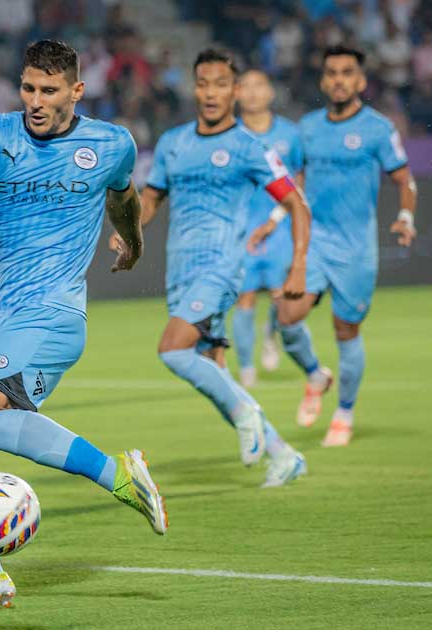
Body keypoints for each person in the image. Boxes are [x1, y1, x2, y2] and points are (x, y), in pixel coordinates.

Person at [0, 39, 166, 614]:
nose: (35, 100)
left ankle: (118, 476)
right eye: (29, 87)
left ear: (76, 91)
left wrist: (132, 241)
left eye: (50, 90)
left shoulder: (110, 143)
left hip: (53, 313)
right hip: (1, 316)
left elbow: (124, 198)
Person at [124, 49, 311, 488]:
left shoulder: (251, 147)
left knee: (173, 349)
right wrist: (129, 228)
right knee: (214, 371)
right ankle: (283, 454)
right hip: (181, 272)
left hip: (222, 267)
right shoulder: (173, 142)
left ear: (236, 91)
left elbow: (296, 205)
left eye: (221, 84)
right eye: (204, 83)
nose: (211, 92)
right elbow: (151, 198)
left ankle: (249, 414)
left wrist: (298, 265)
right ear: (194, 87)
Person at [251, 45, 416, 447]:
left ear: (361, 81)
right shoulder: (307, 128)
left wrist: (405, 216)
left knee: (347, 329)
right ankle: (314, 375)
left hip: (356, 250)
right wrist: (275, 220)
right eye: (332, 72)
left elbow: (404, 180)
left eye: (347, 73)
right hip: (315, 243)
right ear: (324, 80)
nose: (339, 79)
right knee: (287, 314)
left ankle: (344, 411)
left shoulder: (378, 129)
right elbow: (297, 183)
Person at [230, 69, 309, 387]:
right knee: (245, 297)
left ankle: (271, 334)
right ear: (236, 94)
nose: (251, 93)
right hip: (243, 228)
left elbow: (299, 180)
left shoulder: (290, 134)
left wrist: (277, 218)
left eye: (258, 86)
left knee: (281, 296)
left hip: (280, 227)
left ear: (270, 93)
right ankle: (247, 370)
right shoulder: (229, 134)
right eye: (245, 87)